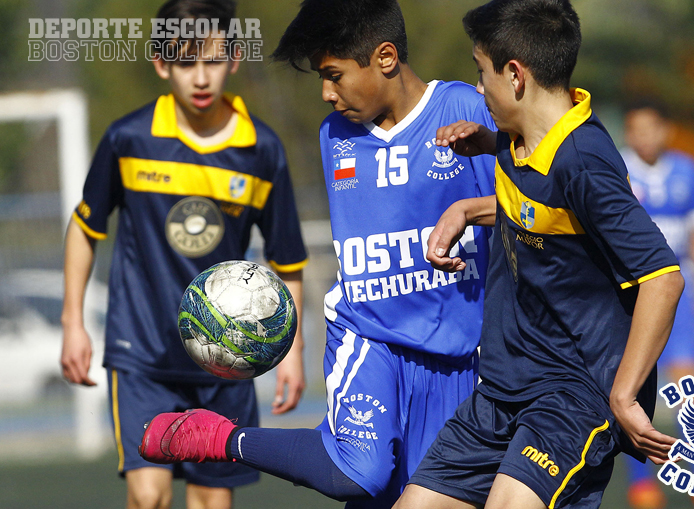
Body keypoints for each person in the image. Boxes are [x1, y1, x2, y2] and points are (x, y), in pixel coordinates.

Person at [138, 1, 497, 508]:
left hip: (460, 355)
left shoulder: (467, 110)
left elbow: (530, 208)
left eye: (334, 76)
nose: (327, 94)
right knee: (358, 471)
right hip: (368, 336)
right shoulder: (337, 135)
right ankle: (217, 437)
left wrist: (469, 209)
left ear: (386, 57)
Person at [390, 1, 686, 508]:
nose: (478, 88)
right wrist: (467, 206)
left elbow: (663, 277)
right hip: (503, 389)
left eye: (481, 74)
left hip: (574, 396)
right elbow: (535, 209)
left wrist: (624, 394)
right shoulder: (517, 137)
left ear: (515, 75)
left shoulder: (583, 160)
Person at [60, 1, 308, 508]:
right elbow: (85, 228)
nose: (201, 76)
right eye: (186, 61)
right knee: (149, 496)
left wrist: (293, 353)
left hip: (226, 360)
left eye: (213, 60)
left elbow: (287, 261)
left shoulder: (261, 150)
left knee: (210, 503)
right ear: (161, 64)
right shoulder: (129, 138)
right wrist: (72, 322)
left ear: (234, 59)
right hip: (143, 351)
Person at [621, 100, 694, 509]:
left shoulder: (686, 171)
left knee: (688, 384)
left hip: (681, 290)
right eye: (636, 129)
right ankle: (642, 480)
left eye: (651, 128)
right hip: (636, 296)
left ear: (666, 131)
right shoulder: (618, 169)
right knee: (635, 385)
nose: (644, 137)